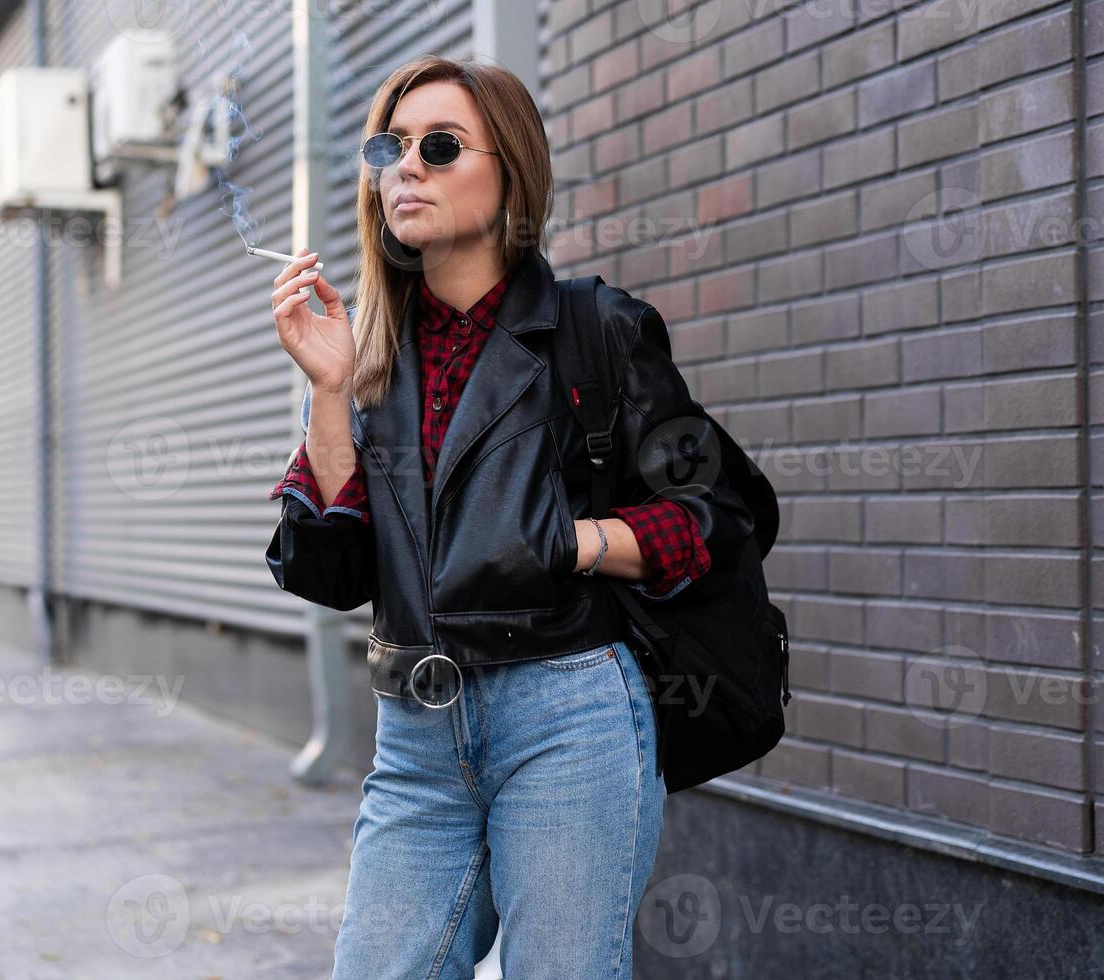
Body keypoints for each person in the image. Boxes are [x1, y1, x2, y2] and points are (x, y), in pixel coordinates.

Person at [265, 55, 756, 980]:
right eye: (390, 147)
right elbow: (328, 571)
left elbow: (712, 517)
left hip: (568, 713)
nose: (405, 167)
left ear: (511, 171)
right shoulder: (362, 358)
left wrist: (574, 542)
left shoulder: (595, 329)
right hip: (414, 732)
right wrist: (329, 391)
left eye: (439, 146)